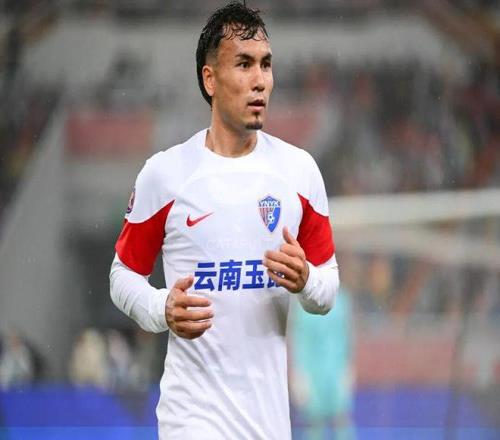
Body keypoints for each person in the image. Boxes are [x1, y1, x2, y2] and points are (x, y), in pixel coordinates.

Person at [109, 2, 339, 439]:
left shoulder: (299, 172)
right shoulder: (166, 174)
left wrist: (307, 279)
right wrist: (161, 308)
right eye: (244, 64)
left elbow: (327, 288)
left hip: (268, 422)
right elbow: (123, 275)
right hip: (191, 419)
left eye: (266, 65)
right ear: (210, 79)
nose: (260, 80)